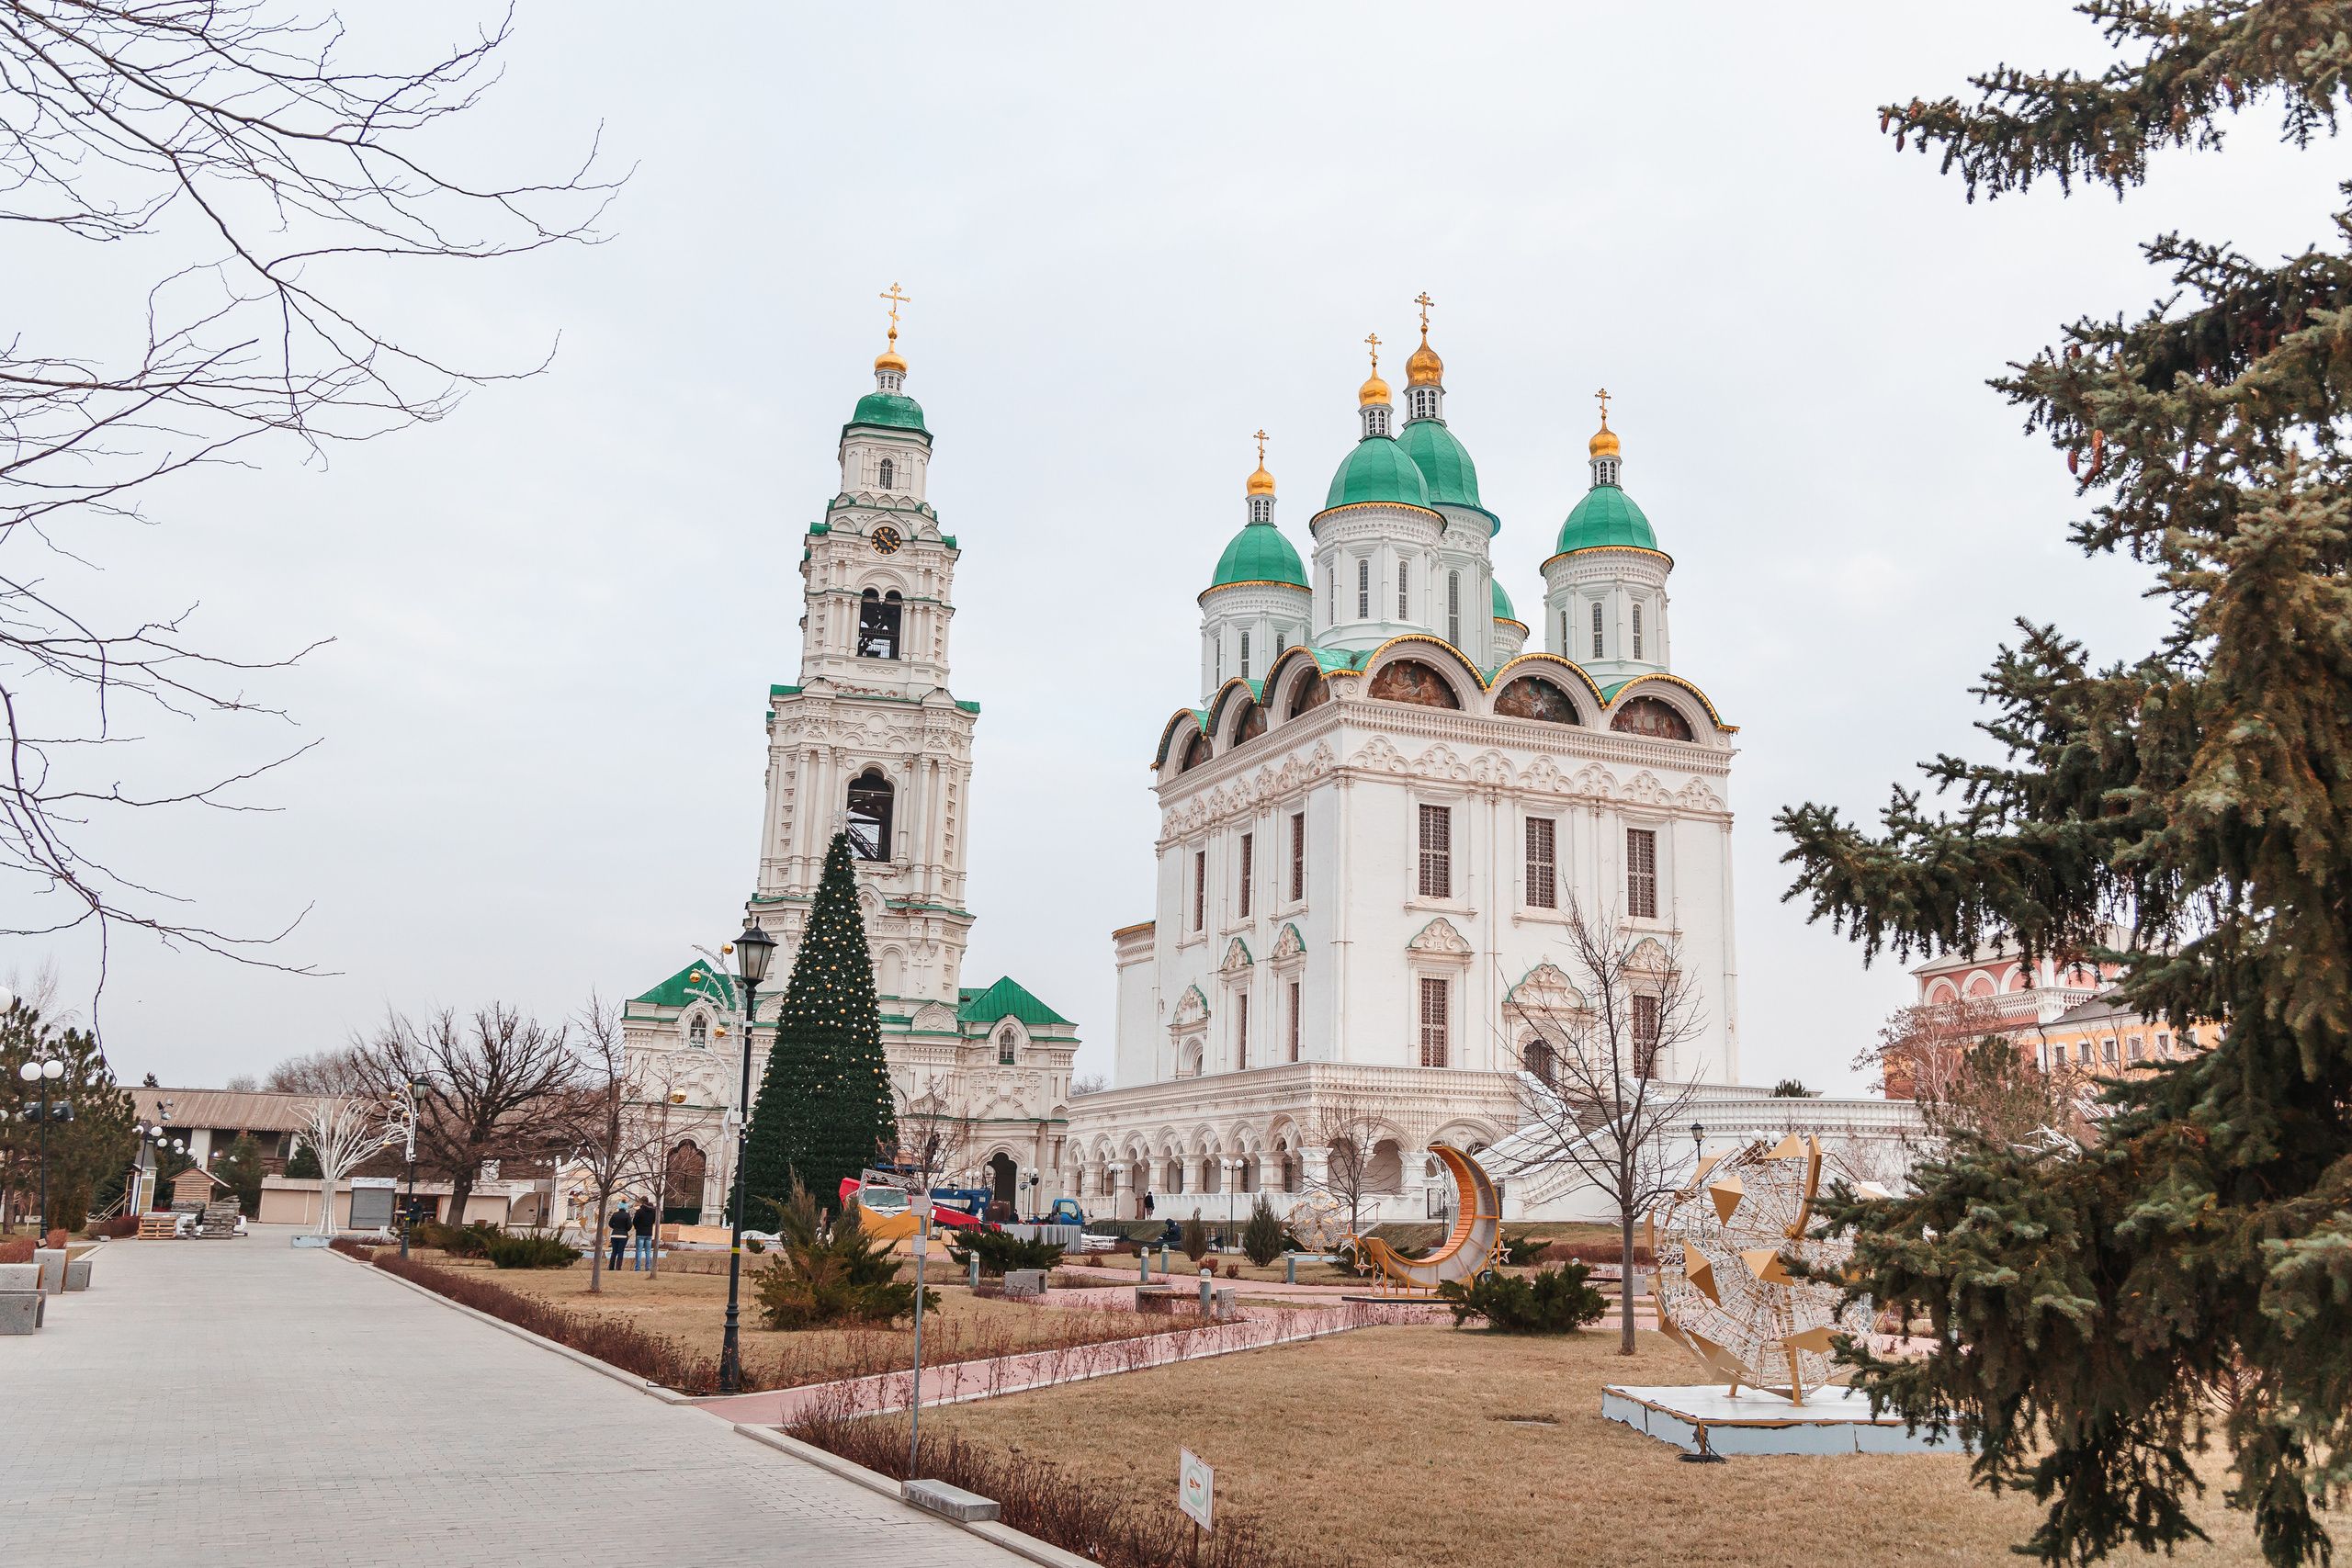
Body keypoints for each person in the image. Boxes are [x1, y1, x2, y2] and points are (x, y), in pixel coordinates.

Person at [631, 1195, 657, 1270]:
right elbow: (653, 1220)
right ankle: (648, 1268)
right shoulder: (653, 1211)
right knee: (648, 1252)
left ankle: (638, 1268)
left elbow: (635, 1221)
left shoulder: (639, 1211)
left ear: (642, 1202)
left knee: (639, 1251)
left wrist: (637, 1227)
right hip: (649, 1232)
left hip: (640, 1232)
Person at [607, 1200, 630, 1272]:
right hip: (623, 1235)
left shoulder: (614, 1214)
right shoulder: (627, 1215)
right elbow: (629, 1226)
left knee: (614, 1251)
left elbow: (610, 1224)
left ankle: (611, 1267)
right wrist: (625, 1229)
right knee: (620, 1252)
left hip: (614, 1235)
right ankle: (618, 1267)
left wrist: (615, 1227)